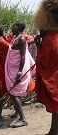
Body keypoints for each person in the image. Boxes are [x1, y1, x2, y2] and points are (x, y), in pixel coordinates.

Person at [5, 21, 36, 128]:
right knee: (14, 94)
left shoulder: (21, 40)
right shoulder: (15, 38)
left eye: (14, 26)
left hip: (18, 70)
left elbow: (22, 57)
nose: (12, 27)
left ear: (18, 28)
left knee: (14, 94)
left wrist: (19, 73)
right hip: (13, 69)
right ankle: (19, 116)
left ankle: (23, 119)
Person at [34, 0, 58, 134]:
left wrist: (40, 46)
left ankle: (54, 131)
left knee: (56, 101)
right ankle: (53, 130)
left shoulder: (51, 40)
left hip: (54, 79)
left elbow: (47, 63)